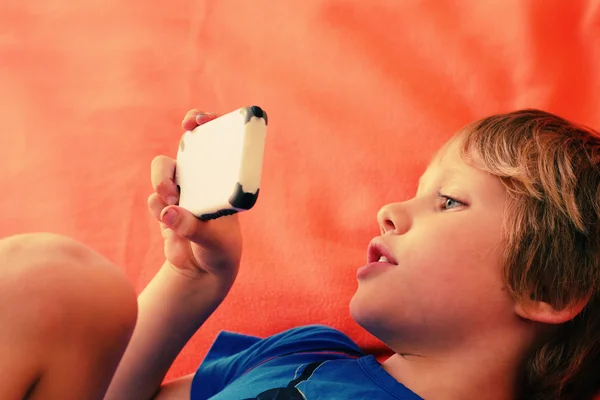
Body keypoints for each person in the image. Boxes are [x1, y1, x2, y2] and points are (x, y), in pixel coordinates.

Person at [1, 109, 599, 400]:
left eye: (448, 202)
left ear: (550, 286)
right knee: (62, 281)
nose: (390, 210)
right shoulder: (305, 352)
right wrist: (190, 280)